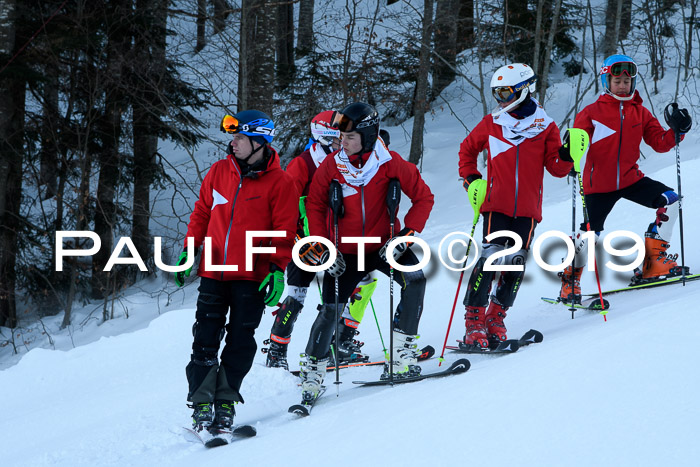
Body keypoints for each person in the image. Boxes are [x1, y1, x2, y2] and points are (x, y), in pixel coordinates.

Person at [299, 102, 434, 402]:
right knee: (331, 309)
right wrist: (323, 247)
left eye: (349, 137)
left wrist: (406, 237)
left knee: (416, 280)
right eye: (340, 137)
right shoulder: (332, 166)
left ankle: (401, 355)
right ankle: (313, 373)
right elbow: (315, 205)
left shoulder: (390, 163)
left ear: (368, 136)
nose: (342, 142)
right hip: (344, 253)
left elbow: (424, 198)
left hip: (385, 246)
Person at [175, 110, 298, 435]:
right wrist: (191, 247)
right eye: (235, 137)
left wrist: (276, 269)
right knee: (205, 336)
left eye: (241, 138)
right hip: (215, 270)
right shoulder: (219, 171)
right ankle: (201, 403)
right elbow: (202, 211)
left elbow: (284, 231)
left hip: (252, 275)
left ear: (260, 143)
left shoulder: (281, 183)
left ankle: (225, 402)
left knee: (241, 341)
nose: (234, 143)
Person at [558, 54, 693, 303]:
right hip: (598, 186)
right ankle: (569, 281)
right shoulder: (591, 113)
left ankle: (653, 265)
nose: (623, 85)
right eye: (617, 80)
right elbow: (576, 144)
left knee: (671, 200)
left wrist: (677, 131)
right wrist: (568, 154)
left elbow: (660, 143)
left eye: (627, 81)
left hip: (631, 180)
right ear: (606, 81)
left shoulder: (639, 112)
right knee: (590, 234)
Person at [459, 63, 573, 349]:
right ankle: (473, 320)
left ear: (524, 90)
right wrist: (472, 178)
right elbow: (467, 149)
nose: (501, 100)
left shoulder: (545, 126)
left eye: (506, 93)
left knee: (515, 263)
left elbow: (556, 169)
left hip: (527, 210)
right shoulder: (492, 122)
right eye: (497, 94)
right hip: (495, 204)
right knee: (490, 258)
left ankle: (495, 317)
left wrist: (568, 154)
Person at [265, 111, 372, 369]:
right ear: (323, 139)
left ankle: (340, 342)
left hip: (337, 240)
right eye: (337, 139)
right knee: (296, 297)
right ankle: (277, 351)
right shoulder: (303, 164)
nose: (342, 143)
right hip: (305, 242)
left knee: (362, 284)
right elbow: (283, 205)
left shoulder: (343, 162)